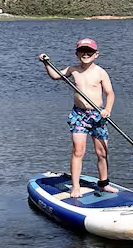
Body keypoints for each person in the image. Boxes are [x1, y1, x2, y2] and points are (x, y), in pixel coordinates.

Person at [39, 38, 118, 198]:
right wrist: (46, 63)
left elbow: (109, 93)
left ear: (96, 54)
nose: (85, 54)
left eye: (89, 51)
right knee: (78, 151)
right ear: (77, 53)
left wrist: (107, 110)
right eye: (82, 51)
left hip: (98, 115)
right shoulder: (73, 69)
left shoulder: (101, 72)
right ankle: (75, 187)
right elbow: (55, 75)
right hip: (79, 115)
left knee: (102, 152)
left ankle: (104, 184)